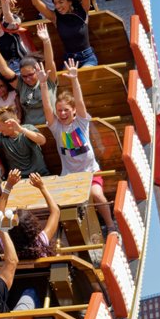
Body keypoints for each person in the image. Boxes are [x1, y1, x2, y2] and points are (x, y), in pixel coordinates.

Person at [38, 59, 116, 232]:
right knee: (60, 202)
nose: (63, 113)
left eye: (66, 110)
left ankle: (111, 225)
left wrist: (74, 79)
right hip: (70, 176)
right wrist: (43, 84)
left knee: (96, 194)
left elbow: (80, 102)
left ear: (73, 110)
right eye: (60, 111)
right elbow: (46, 108)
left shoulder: (81, 122)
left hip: (90, 172)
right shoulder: (57, 127)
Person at [0, 22, 58, 126]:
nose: (27, 79)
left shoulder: (48, 79)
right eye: (24, 76)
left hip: (51, 126)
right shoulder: (21, 84)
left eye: (30, 75)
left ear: (37, 70)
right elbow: (4, 71)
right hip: (30, 129)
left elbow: (50, 62)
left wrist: (46, 41)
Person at [0, 171, 60, 258]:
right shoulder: (40, 242)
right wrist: (42, 187)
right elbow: (55, 211)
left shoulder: (6, 243)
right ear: (32, 226)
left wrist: (8, 186)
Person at [0, 105, 50, 177]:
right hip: (19, 179)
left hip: (40, 175)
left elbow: (42, 141)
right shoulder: (0, 137)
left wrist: (21, 130)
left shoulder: (28, 128)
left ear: (9, 124)